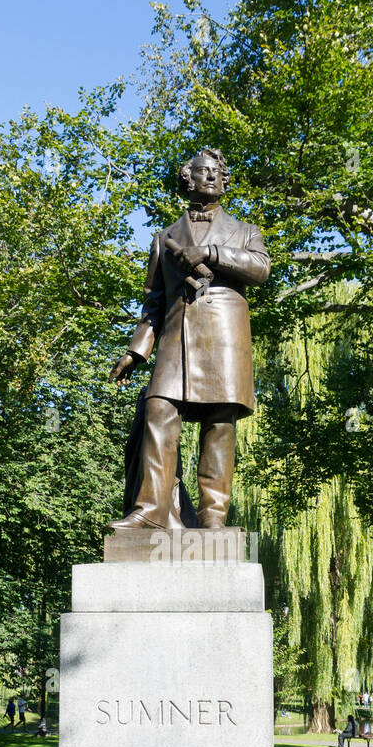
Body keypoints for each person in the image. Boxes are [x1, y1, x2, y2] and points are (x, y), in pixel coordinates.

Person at [107, 149, 270, 531]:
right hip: (176, 340)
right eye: (203, 172)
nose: (211, 178)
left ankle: (214, 519)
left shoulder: (245, 231)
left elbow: (261, 269)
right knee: (157, 410)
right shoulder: (164, 238)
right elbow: (154, 302)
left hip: (224, 338)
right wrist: (137, 350)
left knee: (219, 423)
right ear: (187, 179)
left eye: (217, 172)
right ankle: (151, 511)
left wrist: (211, 253)